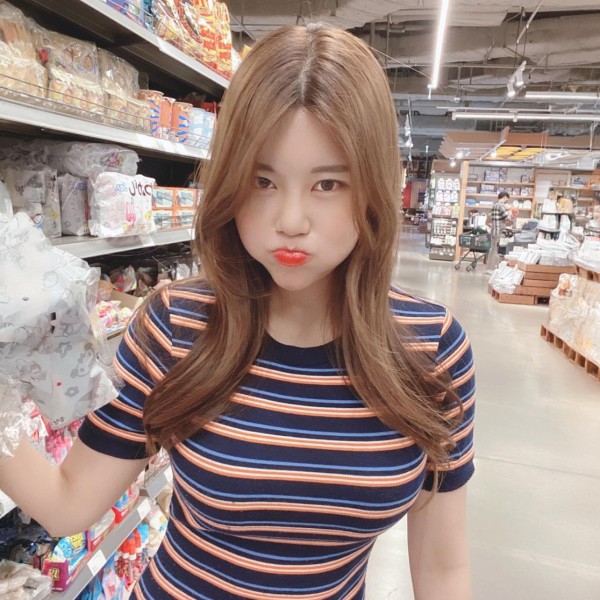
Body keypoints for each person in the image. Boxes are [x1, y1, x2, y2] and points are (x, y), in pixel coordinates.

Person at [0, 24, 475, 599]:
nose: (291, 220)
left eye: (328, 184)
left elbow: (443, 568)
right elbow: (68, 503)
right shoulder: (176, 325)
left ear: (374, 188)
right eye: (262, 181)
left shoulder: (432, 349)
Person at [486, 190, 513, 273]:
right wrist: (510, 213)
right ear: (504, 197)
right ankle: (493, 269)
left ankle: (489, 268)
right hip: (499, 230)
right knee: (496, 250)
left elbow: (490, 216)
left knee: (492, 249)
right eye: (506, 199)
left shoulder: (495, 205)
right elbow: (506, 218)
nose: (506, 201)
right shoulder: (501, 206)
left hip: (493, 230)